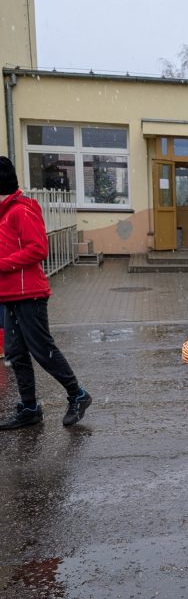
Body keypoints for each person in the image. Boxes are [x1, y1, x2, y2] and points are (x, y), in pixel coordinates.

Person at [0, 156, 92, 430]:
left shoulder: (21, 210)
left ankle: (78, 394)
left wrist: (2, 264)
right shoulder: (4, 213)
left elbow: (39, 249)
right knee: (15, 354)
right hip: (9, 296)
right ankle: (29, 408)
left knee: (42, 350)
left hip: (29, 294)